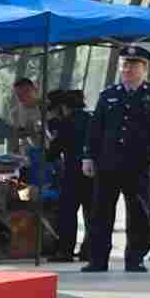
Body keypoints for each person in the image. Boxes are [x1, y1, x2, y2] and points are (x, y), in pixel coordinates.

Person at [82, 46, 150, 274]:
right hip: (108, 162)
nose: (127, 69)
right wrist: (88, 157)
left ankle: (135, 259)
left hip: (139, 163)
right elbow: (96, 129)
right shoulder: (108, 94)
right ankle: (97, 259)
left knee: (138, 213)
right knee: (101, 212)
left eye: (133, 65)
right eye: (125, 65)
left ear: (145, 68)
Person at [42, 88, 92, 262]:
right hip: (93, 173)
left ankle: (65, 250)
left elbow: (52, 153)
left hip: (73, 173)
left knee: (67, 213)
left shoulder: (66, 123)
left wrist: (48, 141)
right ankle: (89, 250)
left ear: (63, 107)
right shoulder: (91, 118)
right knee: (90, 213)